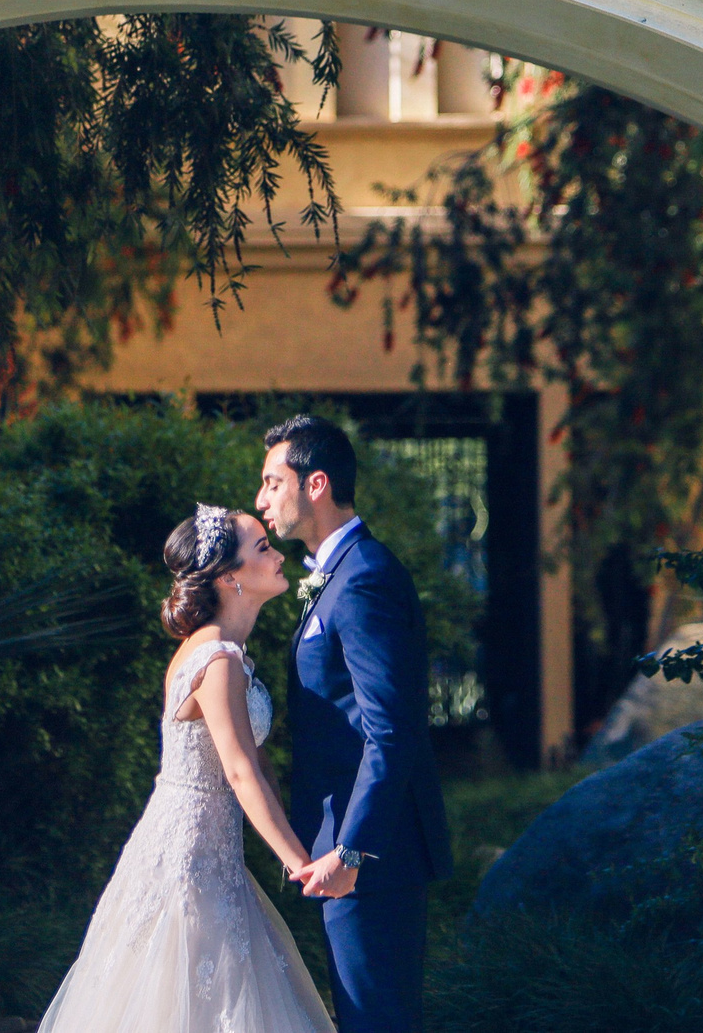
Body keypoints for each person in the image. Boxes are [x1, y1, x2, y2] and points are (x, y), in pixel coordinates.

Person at [33, 503, 335, 1033]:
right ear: (228, 577)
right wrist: (300, 863)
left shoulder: (225, 652)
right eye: (262, 547)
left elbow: (257, 763)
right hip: (190, 860)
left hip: (210, 853)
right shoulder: (217, 658)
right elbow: (240, 771)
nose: (276, 555)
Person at [256, 413, 454, 1033]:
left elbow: (390, 729)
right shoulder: (337, 575)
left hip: (373, 853)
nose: (261, 500)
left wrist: (352, 849)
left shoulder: (363, 578)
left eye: (271, 482)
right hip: (346, 850)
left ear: (315, 484)